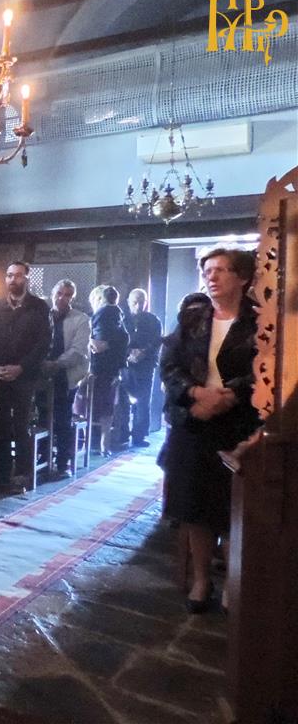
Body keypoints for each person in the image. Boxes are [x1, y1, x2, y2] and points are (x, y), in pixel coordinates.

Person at [159, 248, 258, 614]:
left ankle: (233, 581)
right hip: (194, 420)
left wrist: (229, 395)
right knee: (194, 507)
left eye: (220, 270)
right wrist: (196, 394)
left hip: (238, 423)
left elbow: (265, 368)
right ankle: (202, 580)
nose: (211, 276)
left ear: (242, 278)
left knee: (231, 508)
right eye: (207, 270)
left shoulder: (258, 321)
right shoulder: (193, 319)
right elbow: (169, 364)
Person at [0, 262, 52, 489]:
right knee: (0, 424)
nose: (13, 280)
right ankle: (2, 472)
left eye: (18, 276)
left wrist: (21, 367)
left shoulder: (39, 307)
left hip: (25, 376)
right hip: (0, 374)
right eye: (10, 275)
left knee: (21, 424)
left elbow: (43, 344)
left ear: (27, 279)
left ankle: (22, 472)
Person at [42, 280, 89, 477]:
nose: (62, 298)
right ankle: (42, 458)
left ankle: (63, 462)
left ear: (72, 298)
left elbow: (78, 350)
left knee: (62, 418)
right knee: (42, 416)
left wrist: (56, 364)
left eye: (67, 295)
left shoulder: (81, 319)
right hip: (42, 373)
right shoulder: (44, 316)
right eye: (59, 293)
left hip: (66, 373)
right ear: (53, 294)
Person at [88, 285, 129, 456]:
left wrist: (87, 339)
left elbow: (100, 345)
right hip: (111, 368)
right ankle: (103, 442)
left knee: (97, 405)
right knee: (106, 406)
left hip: (101, 368)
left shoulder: (105, 313)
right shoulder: (117, 314)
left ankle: (95, 441)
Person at [122, 288, 162, 447]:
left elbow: (157, 341)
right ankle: (122, 433)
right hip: (125, 364)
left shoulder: (153, 320)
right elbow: (117, 340)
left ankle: (139, 436)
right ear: (128, 302)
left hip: (146, 365)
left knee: (143, 400)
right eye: (135, 302)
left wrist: (144, 352)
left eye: (141, 302)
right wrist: (128, 353)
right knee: (123, 400)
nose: (138, 306)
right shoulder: (122, 319)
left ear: (146, 302)